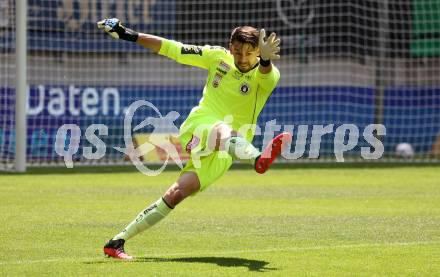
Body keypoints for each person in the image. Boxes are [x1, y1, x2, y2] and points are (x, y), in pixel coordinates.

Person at [97, 18, 292, 260]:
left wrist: (265, 59)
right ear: (230, 47)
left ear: (257, 53)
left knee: (177, 193)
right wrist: (129, 35)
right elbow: (174, 49)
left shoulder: (268, 75)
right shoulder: (216, 57)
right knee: (222, 128)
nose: (243, 58)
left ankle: (116, 242)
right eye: (238, 51)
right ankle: (257, 160)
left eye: (250, 53)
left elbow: (265, 73)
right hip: (201, 126)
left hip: (229, 150)